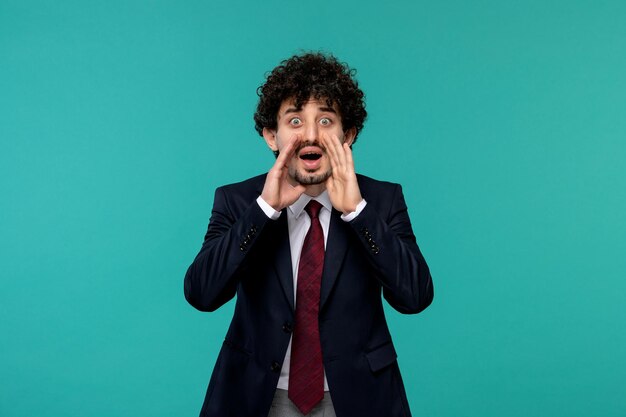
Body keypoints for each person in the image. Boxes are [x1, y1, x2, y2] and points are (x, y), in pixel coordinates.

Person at [184, 52, 434, 417]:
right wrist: (265, 209)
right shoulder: (237, 201)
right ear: (272, 135)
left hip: (358, 397)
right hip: (257, 395)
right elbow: (201, 293)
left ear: (347, 134)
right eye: (295, 120)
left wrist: (357, 212)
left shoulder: (381, 200)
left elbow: (415, 297)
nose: (311, 134)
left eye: (326, 120)